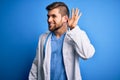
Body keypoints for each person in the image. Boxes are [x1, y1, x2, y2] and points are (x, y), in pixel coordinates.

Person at [29, 2, 95, 80]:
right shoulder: (43, 38)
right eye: (48, 16)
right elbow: (37, 64)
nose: (49, 20)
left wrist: (74, 29)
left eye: (53, 16)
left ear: (65, 19)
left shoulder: (74, 35)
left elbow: (87, 54)